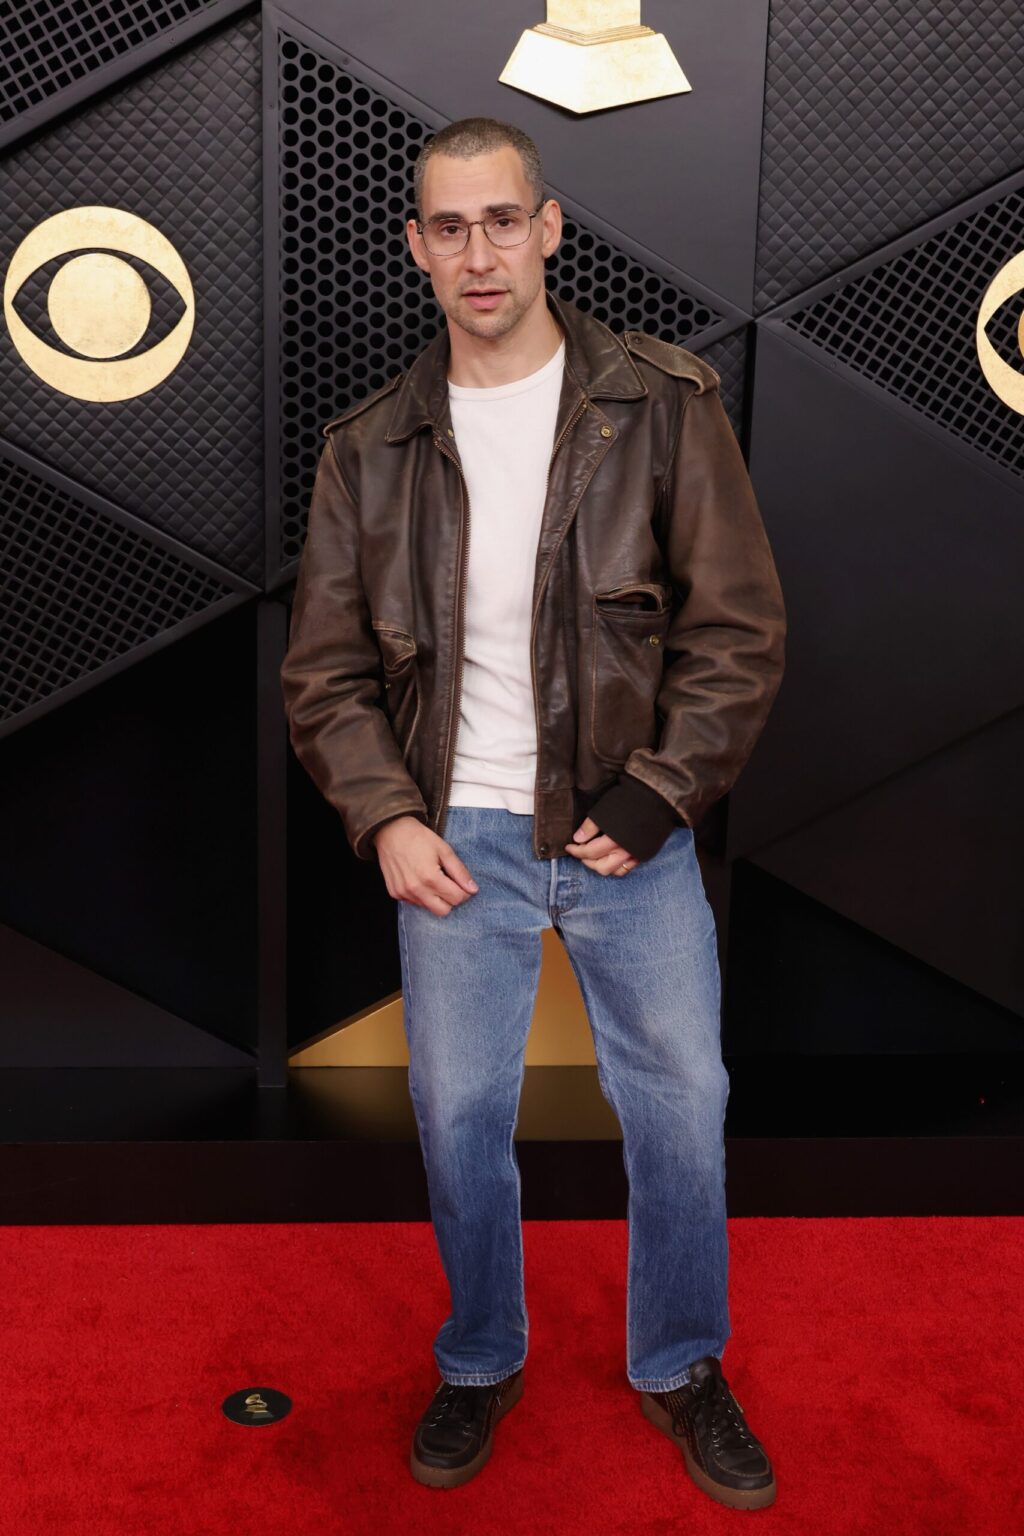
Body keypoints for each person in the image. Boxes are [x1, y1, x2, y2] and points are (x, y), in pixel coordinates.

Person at [280, 116, 786, 1511]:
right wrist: (387, 815)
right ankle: (481, 1355)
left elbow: (738, 629)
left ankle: (681, 1365)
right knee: (454, 1115)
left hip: (627, 834)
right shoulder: (370, 447)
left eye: (503, 220)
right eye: (449, 227)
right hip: (459, 845)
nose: (479, 252)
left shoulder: (663, 403)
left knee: (684, 1110)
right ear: (416, 248)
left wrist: (657, 791)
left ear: (550, 227)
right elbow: (323, 671)